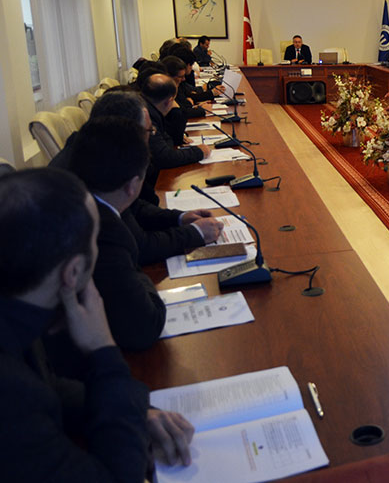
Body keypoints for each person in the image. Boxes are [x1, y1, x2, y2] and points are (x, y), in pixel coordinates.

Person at [0, 168, 194, 480]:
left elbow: (49, 388)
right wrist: (104, 350)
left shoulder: (20, 304)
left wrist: (132, 410)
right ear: (73, 272)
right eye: (95, 241)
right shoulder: (12, 396)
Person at [50, 90, 222, 263]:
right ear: (126, 130)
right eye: (148, 131)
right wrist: (195, 233)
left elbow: (134, 208)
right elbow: (140, 246)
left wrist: (179, 218)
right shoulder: (92, 168)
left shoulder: (94, 149)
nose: (150, 137)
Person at [68, 118, 167, 351]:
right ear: (132, 186)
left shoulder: (76, 197)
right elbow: (146, 325)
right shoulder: (106, 232)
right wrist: (139, 273)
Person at [141, 73, 210, 168]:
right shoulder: (145, 118)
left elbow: (170, 140)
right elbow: (165, 158)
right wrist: (198, 152)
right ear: (169, 101)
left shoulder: (146, 108)